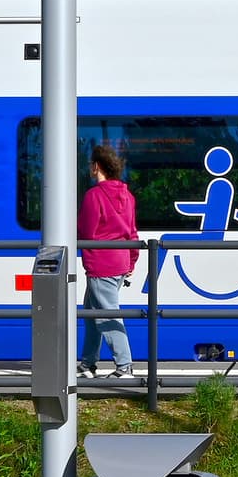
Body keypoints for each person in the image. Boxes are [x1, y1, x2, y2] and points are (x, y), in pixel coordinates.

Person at [78, 141, 141, 375]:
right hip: (120, 261)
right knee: (91, 312)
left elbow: (86, 232)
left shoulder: (94, 196)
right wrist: (132, 260)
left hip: (101, 263)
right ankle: (87, 363)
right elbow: (132, 231)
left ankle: (124, 366)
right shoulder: (128, 196)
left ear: (96, 166)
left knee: (106, 314)